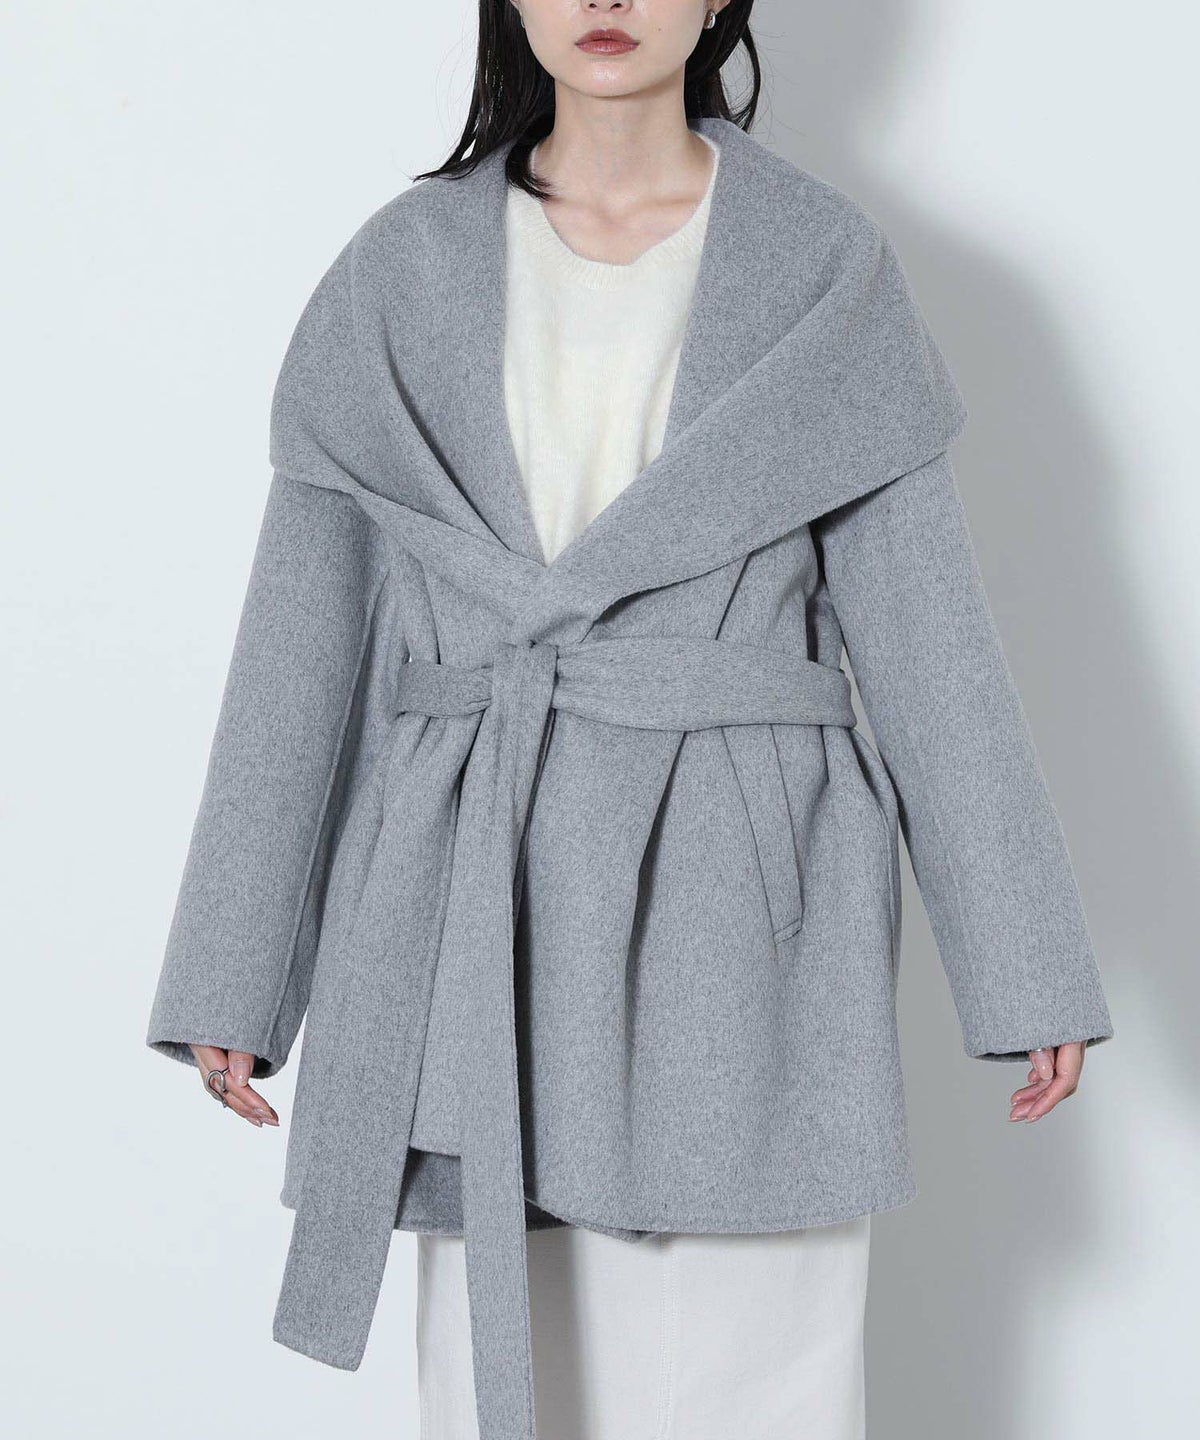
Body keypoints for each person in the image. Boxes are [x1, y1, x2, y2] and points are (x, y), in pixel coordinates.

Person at [146, 4, 1114, 1438]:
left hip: (742, 911)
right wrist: (234, 974)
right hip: (481, 901)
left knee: (759, 1377)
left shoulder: (822, 269)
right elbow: (304, 634)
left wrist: (1025, 966)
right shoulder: (399, 272)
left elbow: (929, 642)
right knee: (507, 1377)